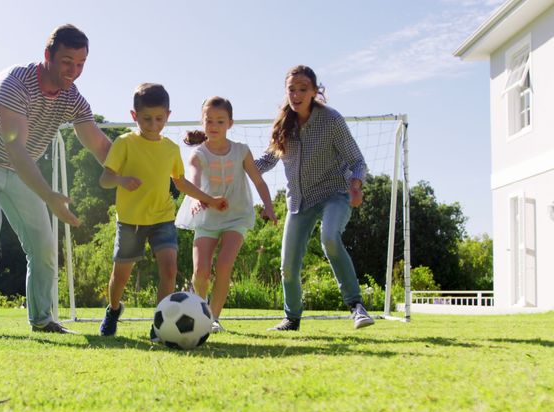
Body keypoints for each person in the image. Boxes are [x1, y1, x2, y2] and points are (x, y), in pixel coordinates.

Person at [0, 25, 113, 338]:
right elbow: (16, 149)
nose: (74, 71)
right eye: (67, 62)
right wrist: (50, 195)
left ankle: (43, 320)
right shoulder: (14, 83)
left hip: (18, 172)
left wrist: (129, 171)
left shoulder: (72, 97)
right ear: (47, 56)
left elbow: (99, 145)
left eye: (81, 64)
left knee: (43, 245)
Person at [97, 83, 228, 340]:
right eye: (146, 118)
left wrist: (209, 199)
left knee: (169, 270)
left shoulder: (170, 148)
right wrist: (122, 180)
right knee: (120, 275)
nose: (153, 124)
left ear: (168, 115)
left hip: (162, 218)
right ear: (134, 116)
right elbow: (105, 179)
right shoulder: (124, 143)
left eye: (159, 118)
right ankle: (113, 310)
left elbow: (180, 182)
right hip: (130, 221)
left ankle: (159, 325)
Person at [254, 65, 375, 330]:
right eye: (291, 90)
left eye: (302, 89)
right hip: (298, 201)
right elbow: (266, 160)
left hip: (334, 193)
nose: (296, 95)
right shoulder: (283, 125)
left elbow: (356, 161)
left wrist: (356, 186)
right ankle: (292, 318)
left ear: (314, 91)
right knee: (288, 265)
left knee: (330, 238)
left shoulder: (331, 120)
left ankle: (356, 306)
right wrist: (235, 165)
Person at [176, 96, 278, 333]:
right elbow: (193, 178)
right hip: (206, 216)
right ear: (202, 123)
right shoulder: (198, 154)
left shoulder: (241, 151)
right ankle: (201, 313)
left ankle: (213, 319)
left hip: (236, 216)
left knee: (224, 266)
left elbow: (259, 181)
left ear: (230, 124)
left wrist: (269, 206)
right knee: (201, 273)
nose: (213, 126)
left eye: (220, 121)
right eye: (208, 121)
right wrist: (196, 199)